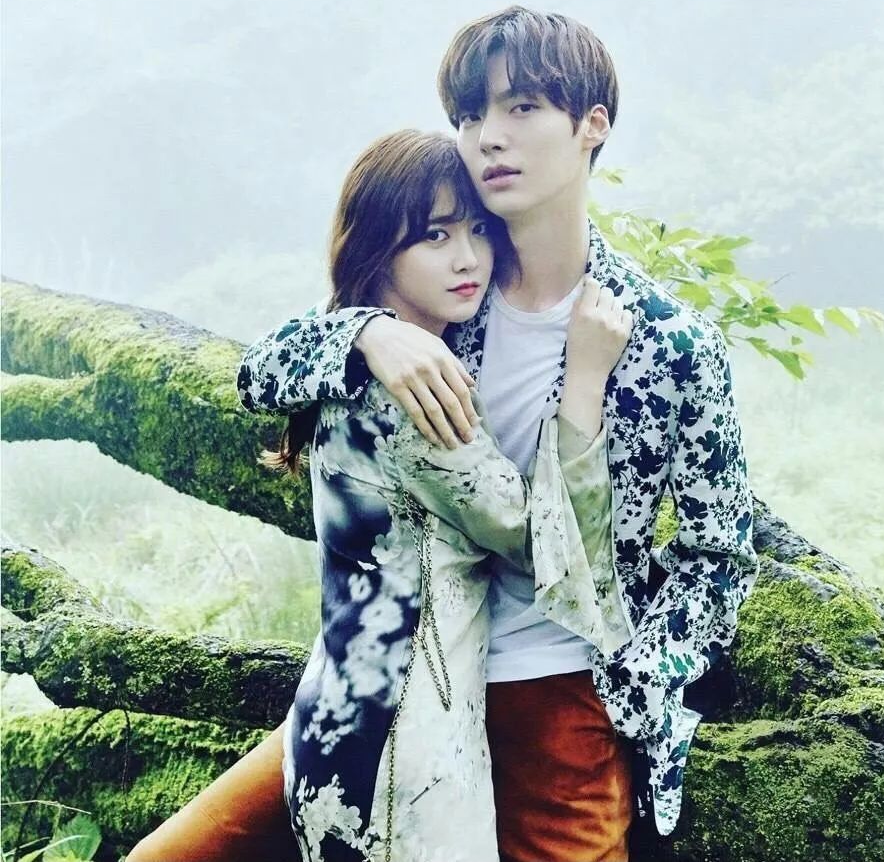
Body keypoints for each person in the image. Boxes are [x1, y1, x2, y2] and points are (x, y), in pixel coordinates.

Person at [235, 7, 759, 861]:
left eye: (520, 108)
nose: (488, 137)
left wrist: (636, 681)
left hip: (560, 694)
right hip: (402, 689)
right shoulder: (448, 298)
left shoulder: (666, 342)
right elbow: (261, 369)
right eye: (469, 114)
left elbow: (719, 554)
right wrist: (365, 331)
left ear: (592, 125)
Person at [128, 128, 631, 862]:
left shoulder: (346, 359)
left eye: (477, 231)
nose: (467, 258)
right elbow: (544, 548)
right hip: (404, 746)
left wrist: (362, 329)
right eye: (435, 235)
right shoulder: (417, 389)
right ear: (377, 248)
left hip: (336, 718)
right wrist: (584, 380)